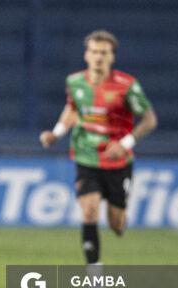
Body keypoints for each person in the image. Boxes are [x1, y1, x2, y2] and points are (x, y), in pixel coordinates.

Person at [39, 30, 157, 265]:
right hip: (86, 156)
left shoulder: (127, 86)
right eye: (94, 52)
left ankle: (119, 219)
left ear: (112, 57)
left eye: (104, 52)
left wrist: (125, 145)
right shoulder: (75, 82)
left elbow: (150, 120)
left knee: (117, 224)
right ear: (86, 55)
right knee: (89, 210)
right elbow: (73, 109)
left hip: (117, 161)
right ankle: (94, 272)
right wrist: (57, 132)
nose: (98, 57)